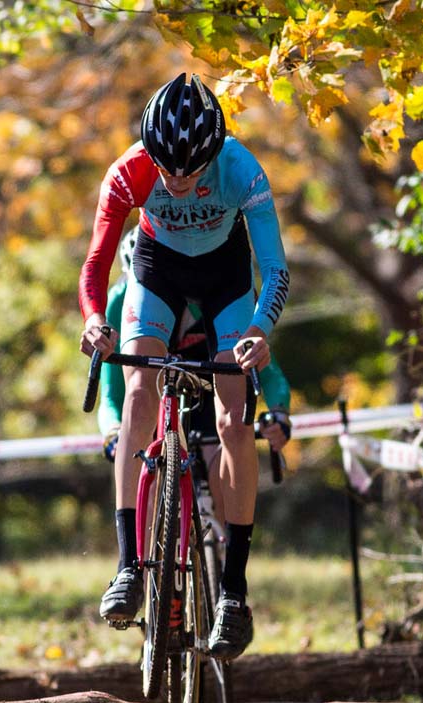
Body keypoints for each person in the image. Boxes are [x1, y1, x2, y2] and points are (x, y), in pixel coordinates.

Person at [79, 73, 291, 660]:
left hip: (226, 278)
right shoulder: (129, 170)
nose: (174, 179)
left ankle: (233, 593)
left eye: (188, 170)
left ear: (212, 152)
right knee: (140, 393)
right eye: (165, 167)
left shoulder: (242, 170)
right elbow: (98, 258)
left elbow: (274, 269)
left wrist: (257, 332)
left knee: (232, 423)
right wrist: (94, 317)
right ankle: (127, 564)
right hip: (156, 272)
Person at [98, 227, 293, 527]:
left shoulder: (208, 291)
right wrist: (113, 432)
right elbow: (112, 392)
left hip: (208, 390)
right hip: (159, 398)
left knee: (218, 455)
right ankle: (141, 559)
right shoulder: (122, 299)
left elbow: (267, 369)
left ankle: (225, 543)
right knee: (143, 463)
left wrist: (278, 412)